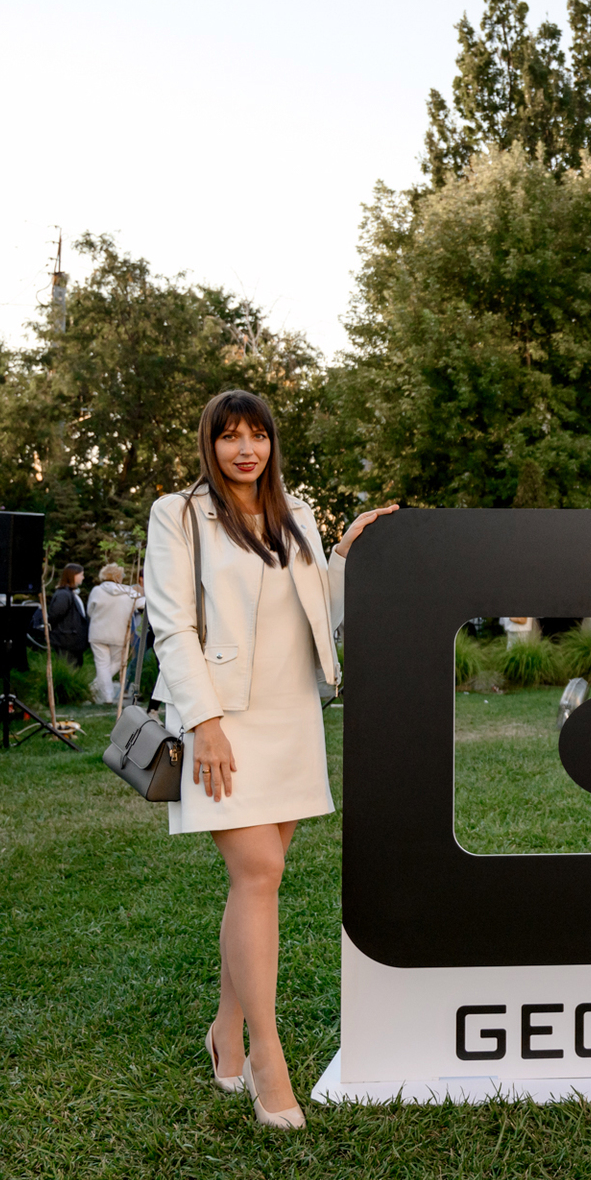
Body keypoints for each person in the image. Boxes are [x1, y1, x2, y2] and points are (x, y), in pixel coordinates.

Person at [146, 389, 395, 1130]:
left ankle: (224, 1031)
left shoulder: (298, 514)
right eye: (230, 437)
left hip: (292, 717)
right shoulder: (178, 515)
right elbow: (171, 625)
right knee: (258, 873)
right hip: (222, 719)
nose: (245, 449)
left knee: (257, 882)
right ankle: (266, 1053)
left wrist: (345, 552)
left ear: (271, 443)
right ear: (210, 444)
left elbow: (319, 609)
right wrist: (206, 724)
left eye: (257, 435)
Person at [86, 563, 143, 704]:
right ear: (118, 577)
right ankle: (97, 687)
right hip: (119, 633)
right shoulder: (128, 592)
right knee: (118, 663)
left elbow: (90, 611)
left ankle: (107, 696)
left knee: (102, 664)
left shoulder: (96, 590)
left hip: (97, 633)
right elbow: (143, 603)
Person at [40, 563, 91, 668]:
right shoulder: (64, 594)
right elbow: (55, 615)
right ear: (73, 575)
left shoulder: (71, 594)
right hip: (66, 640)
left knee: (75, 668)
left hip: (73, 641)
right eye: (81, 574)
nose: (83, 577)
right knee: (68, 668)